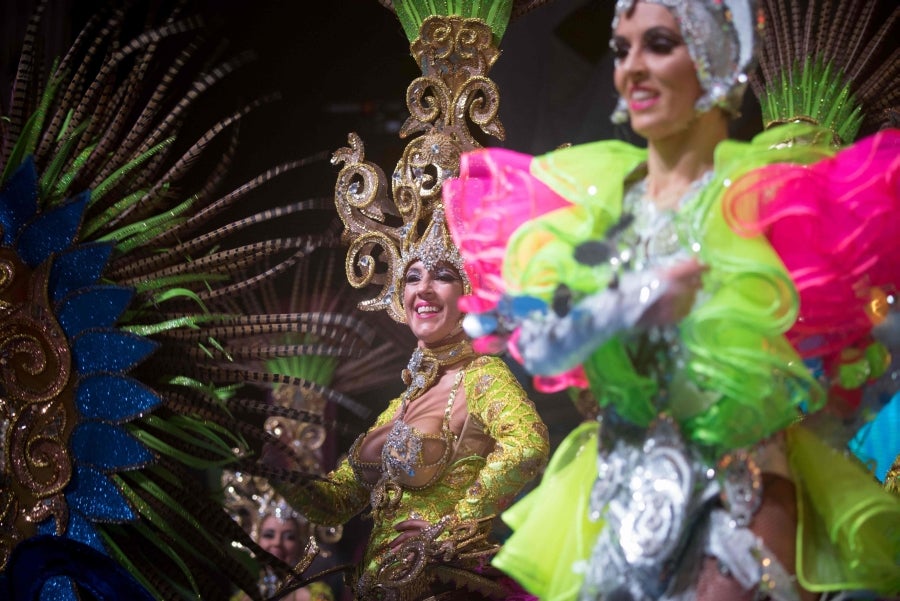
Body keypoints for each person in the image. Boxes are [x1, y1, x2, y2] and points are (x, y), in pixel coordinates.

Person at [442, 0, 899, 599]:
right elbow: (532, 344)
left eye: (658, 44)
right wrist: (629, 303)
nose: (632, 67)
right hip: (617, 505)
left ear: (718, 58)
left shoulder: (759, 203)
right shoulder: (600, 205)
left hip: (736, 503)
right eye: (621, 49)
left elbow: (828, 361)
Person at [273, 207, 550, 599]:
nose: (423, 289)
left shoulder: (481, 375)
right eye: (413, 277)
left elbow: (527, 445)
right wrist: (279, 469)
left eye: (443, 276)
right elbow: (335, 503)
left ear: (468, 294)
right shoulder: (401, 403)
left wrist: (453, 527)